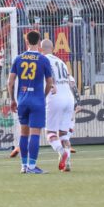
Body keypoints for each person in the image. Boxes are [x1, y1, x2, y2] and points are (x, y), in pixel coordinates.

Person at [7, 30, 54, 174]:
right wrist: (43, 96)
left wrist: (12, 99)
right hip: (37, 101)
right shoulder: (43, 59)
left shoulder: (18, 58)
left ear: (26, 42)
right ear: (39, 42)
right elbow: (50, 82)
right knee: (35, 134)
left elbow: (10, 82)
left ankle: (23, 166)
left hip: (22, 100)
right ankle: (32, 167)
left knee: (23, 133)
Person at [40, 39, 75, 172]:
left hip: (55, 97)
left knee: (50, 132)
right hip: (69, 98)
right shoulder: (61, 62)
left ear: (40, 49)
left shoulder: (42, 60)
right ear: (53, 48)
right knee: (64, 134)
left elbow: (47, 81)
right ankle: (68, 163)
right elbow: (71, 81)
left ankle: (62, 152)